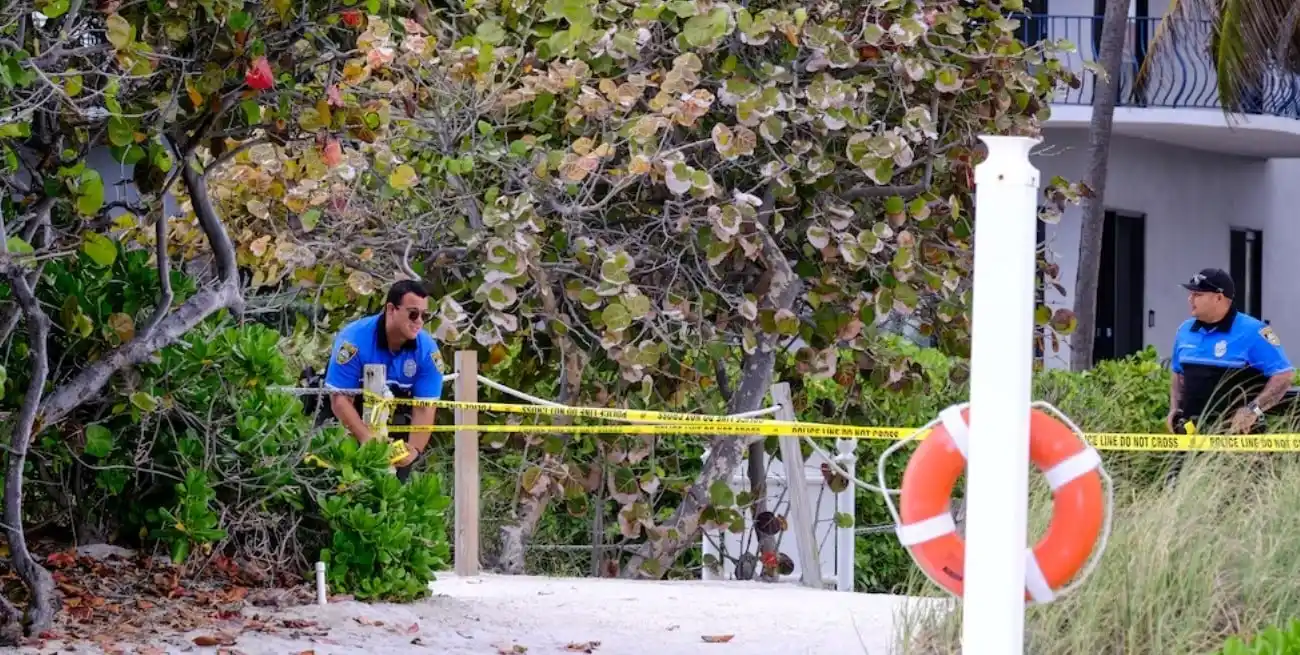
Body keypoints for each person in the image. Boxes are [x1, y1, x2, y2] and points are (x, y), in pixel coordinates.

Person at [323, 279, 446, 481]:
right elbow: (340, 401)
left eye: (425, 315)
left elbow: (425, 407)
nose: (419, 322)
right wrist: (368, 440)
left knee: (395, 484)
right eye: (413, 313)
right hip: (348, 411)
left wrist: (413, 450)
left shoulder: (428, 351)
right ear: (391, 309)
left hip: (393, 414)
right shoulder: (353, 340)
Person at [1166, 268, 1295, 436]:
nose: (1190, 299)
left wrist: (1253, 410)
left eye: (1198, 295)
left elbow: (1283, 376)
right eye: (1191, 294)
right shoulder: (1184, 331)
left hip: (1239, 438)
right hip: (1192, 435)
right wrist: (1175, 408)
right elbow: (1178, 374)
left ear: (1219, 297)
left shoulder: (1253, 331)